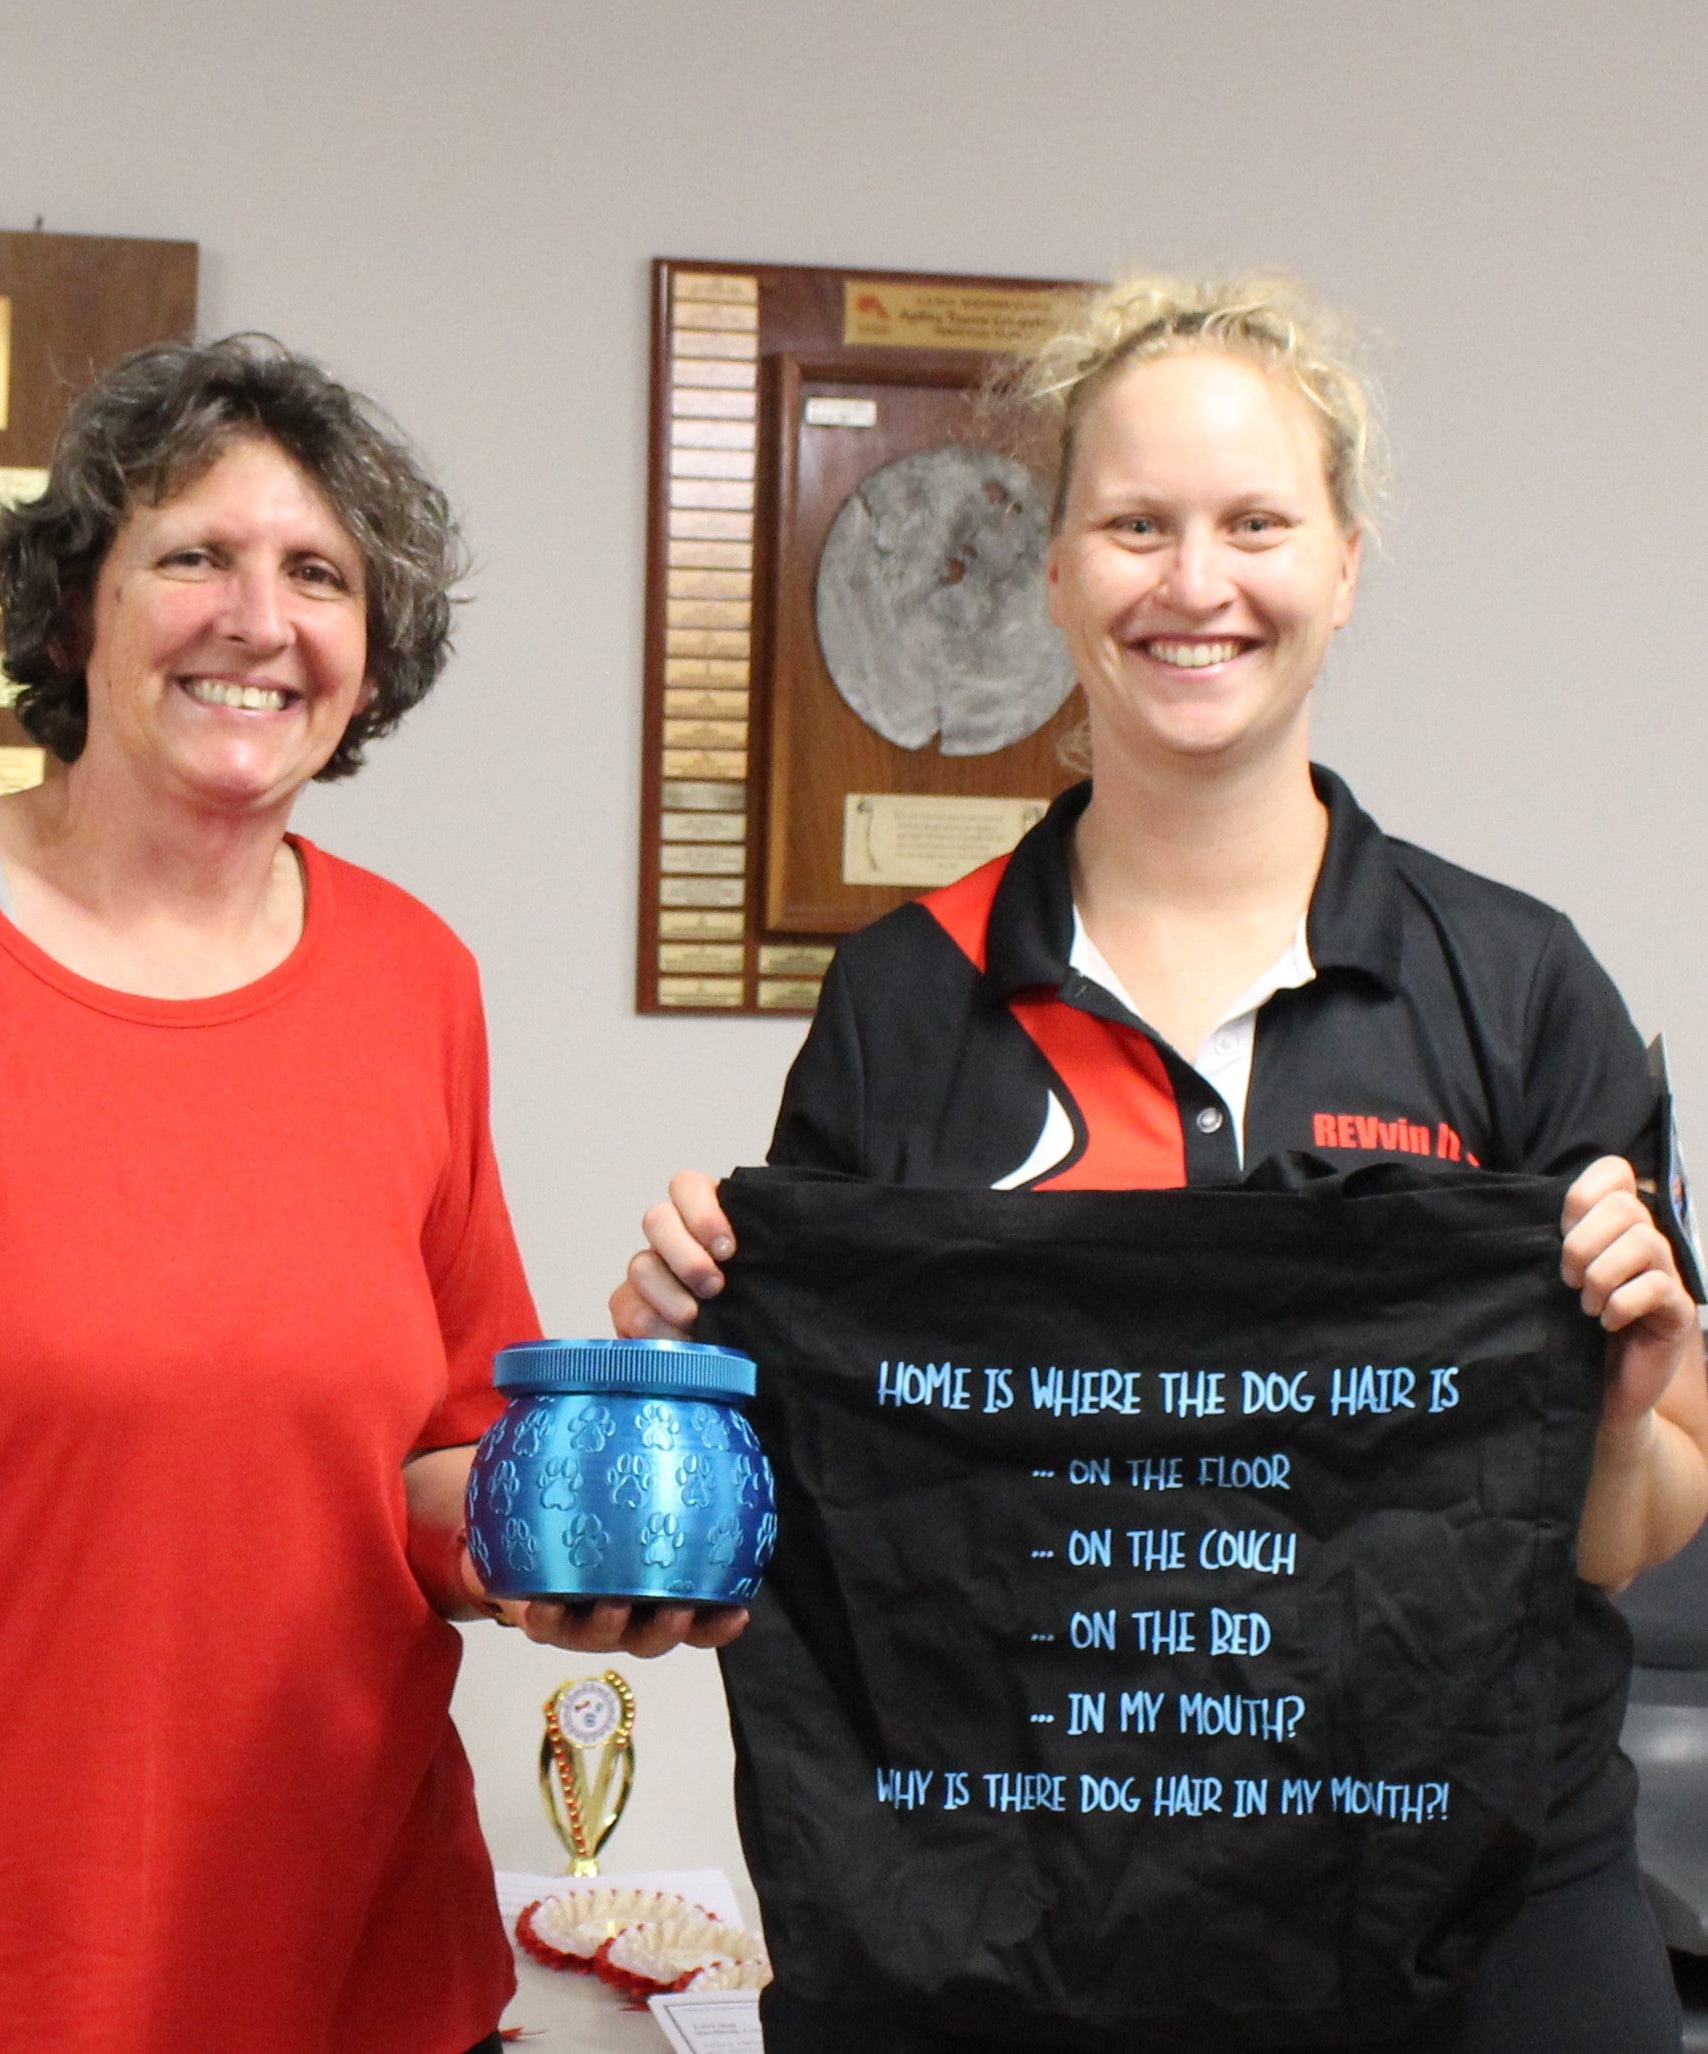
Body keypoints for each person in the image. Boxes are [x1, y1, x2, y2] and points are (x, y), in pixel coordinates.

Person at [611, 277, 1708, 2053]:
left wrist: (1611, 1400)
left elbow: (1618, 1537)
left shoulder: (1511, 986)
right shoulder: (907, 999)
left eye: (1253, 525)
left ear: (1341, 563)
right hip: (1008, 1926)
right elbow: (823, 1518)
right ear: (1052, 570)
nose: (1194, 584)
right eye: (1134, 525)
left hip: (1469, 1914)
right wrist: (684, 1366)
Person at [0, 335, 729, 2054]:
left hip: (340, 1976)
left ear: (371, 649)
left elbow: (439, 1449)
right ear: (77, 611)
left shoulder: (410, 979)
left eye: (317, 574)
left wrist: (567, 1545)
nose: (256, 618)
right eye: (192, 554)